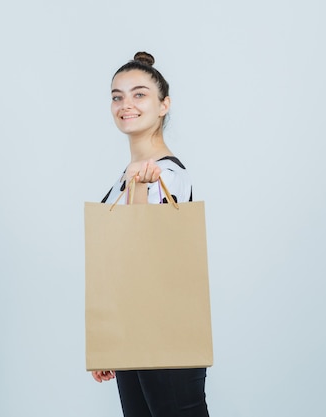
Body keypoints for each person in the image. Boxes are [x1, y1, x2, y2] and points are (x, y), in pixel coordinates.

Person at [91, 52, 210, 417]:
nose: (126, 104)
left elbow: (141, 252)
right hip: (134, 331)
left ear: (164, 105)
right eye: (117, 96)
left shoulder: (167, 175)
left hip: (166, 331)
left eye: (139, 94)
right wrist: (107, 342)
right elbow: (119, 268)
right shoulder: (126, 177)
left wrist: (141, 187)